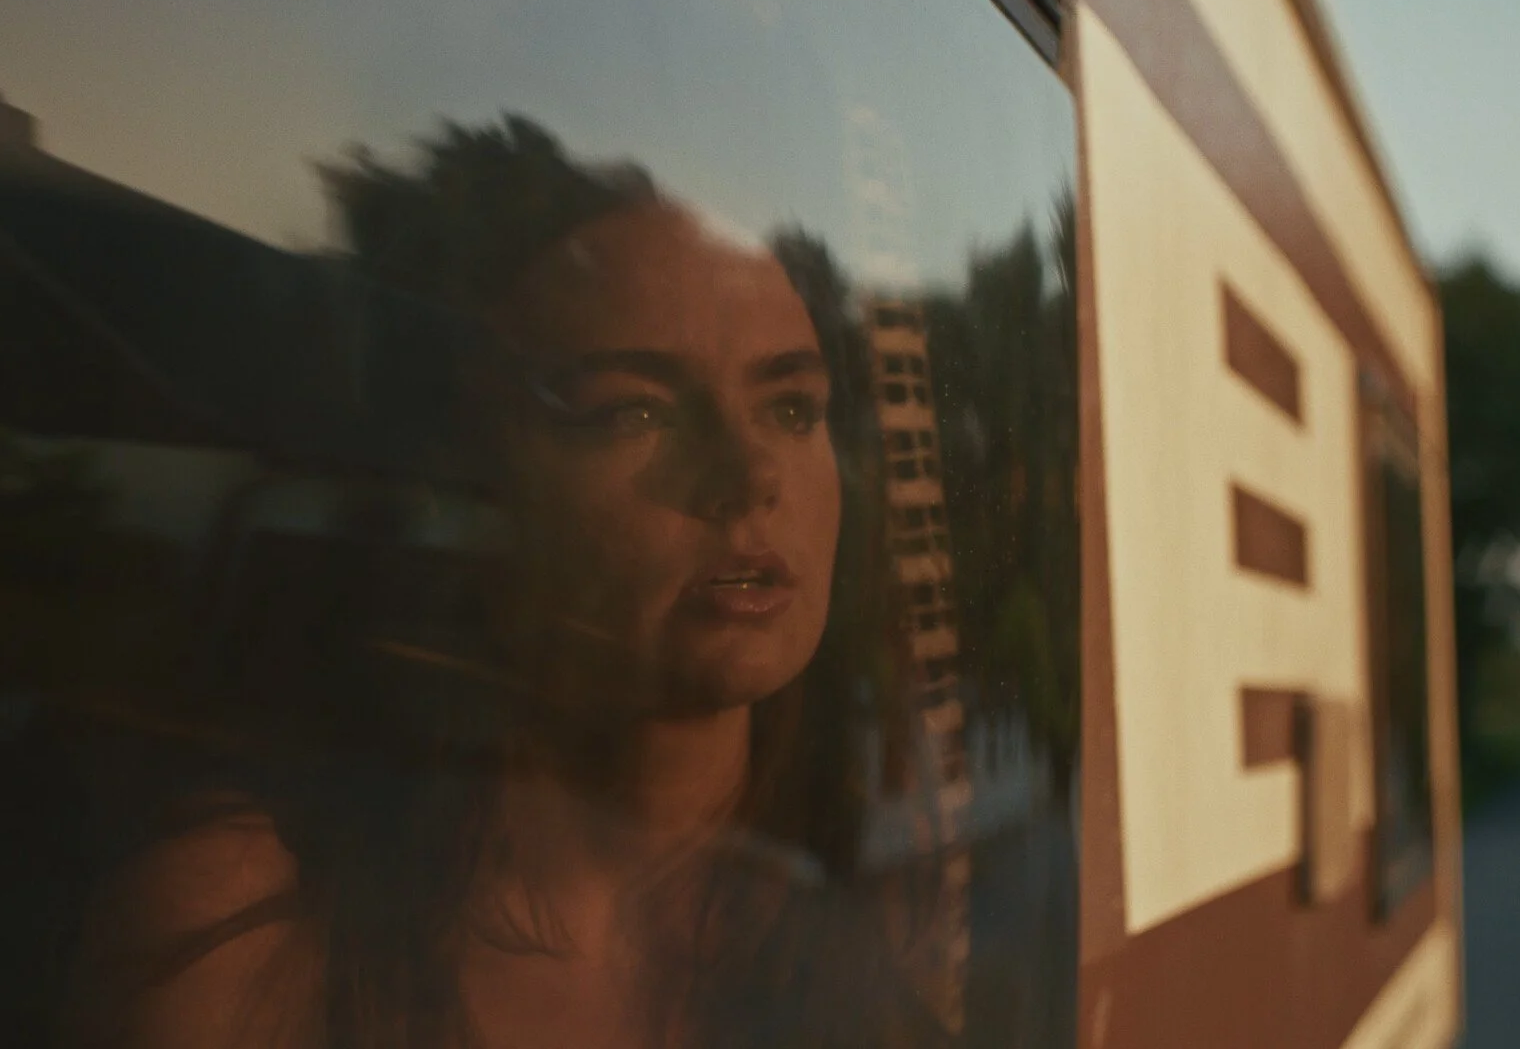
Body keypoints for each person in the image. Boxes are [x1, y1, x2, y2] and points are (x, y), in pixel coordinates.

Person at [62, 121, 945, 1049]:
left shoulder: (851, 929)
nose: (750, 472)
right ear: (480, 473)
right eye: (631, 409)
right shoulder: (254, 934)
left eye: (791, 407)